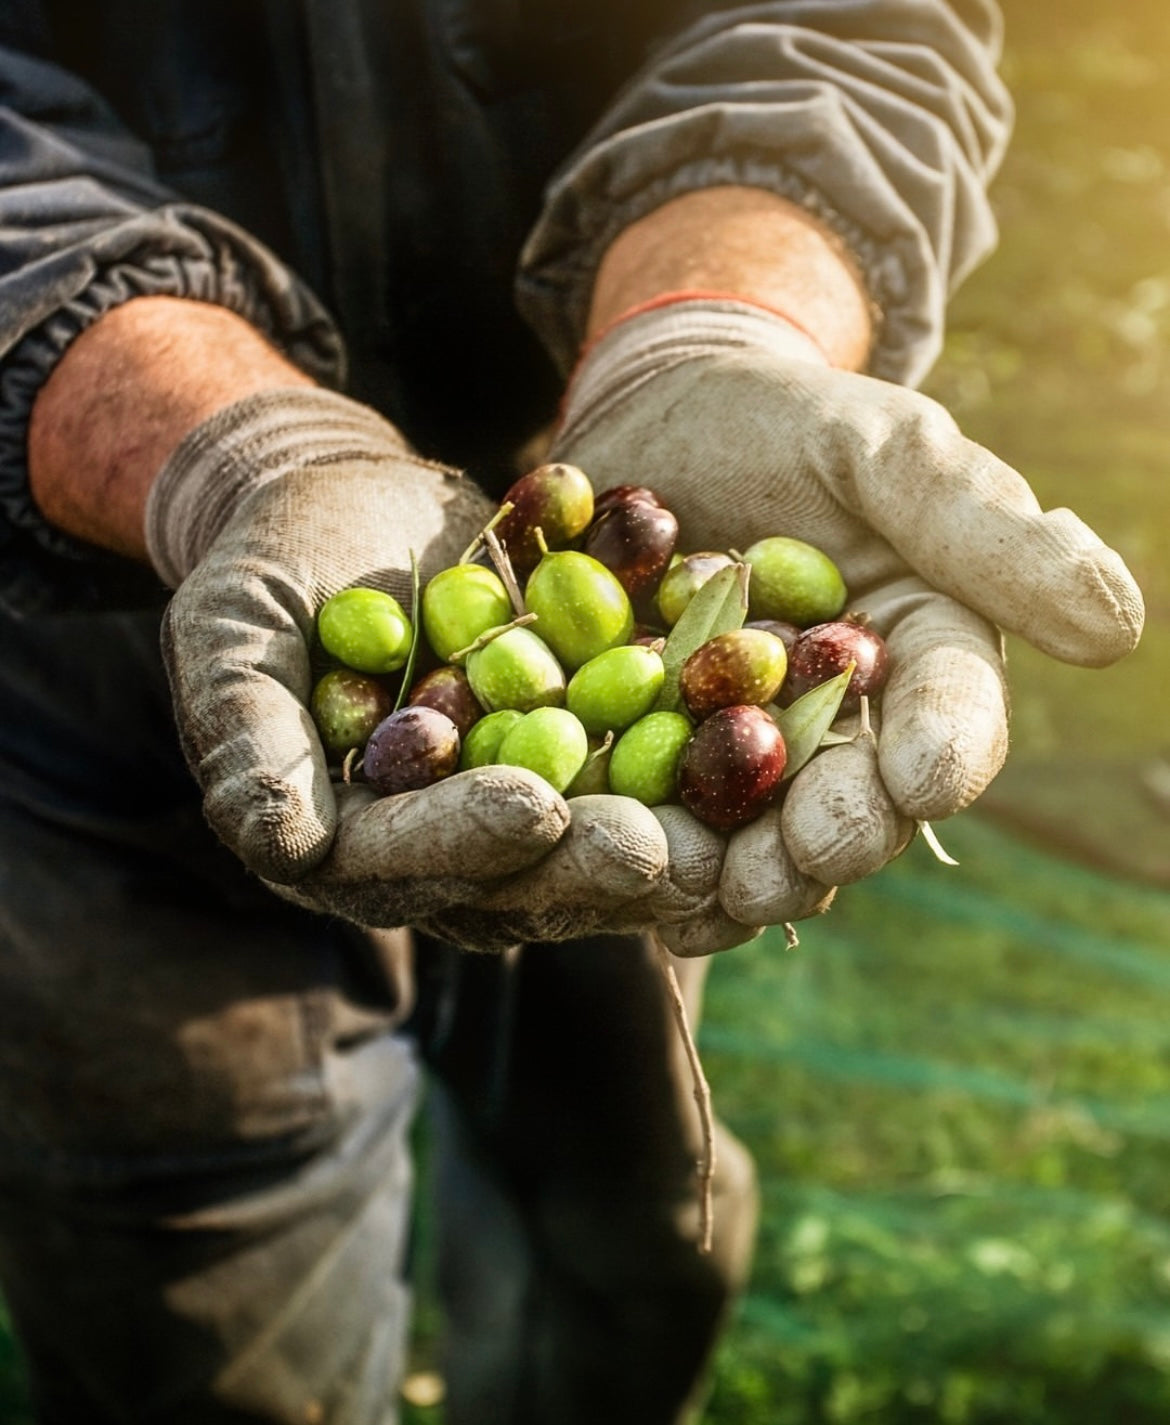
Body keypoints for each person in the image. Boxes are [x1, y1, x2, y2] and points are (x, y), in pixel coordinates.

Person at [0, 2, 1143, 1422]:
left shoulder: (640, 641)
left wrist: (716, 324)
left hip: (591, 556)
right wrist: (233, 449)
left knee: (629, 1203)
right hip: (95, 634)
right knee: (199, 1279)